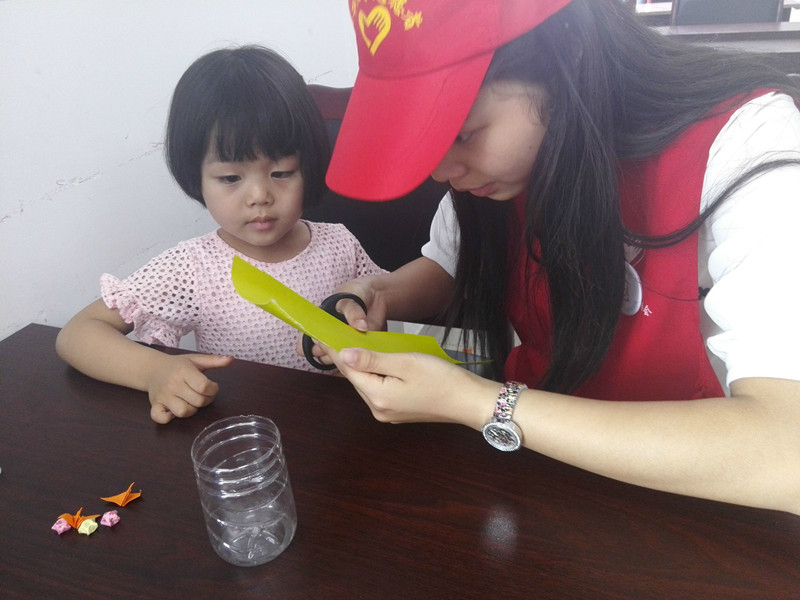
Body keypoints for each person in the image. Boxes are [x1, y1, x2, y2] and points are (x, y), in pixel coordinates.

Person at [316, 0, 800, 514]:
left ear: (569, 51)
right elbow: (449, 262)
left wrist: (476, 403)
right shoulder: (501, 172)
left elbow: (784, 454)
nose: (441, 171)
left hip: (697, 495)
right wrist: (377, 292)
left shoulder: (748, 143)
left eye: (461, 134)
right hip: (542, 472)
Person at [56, 45, 384, 424]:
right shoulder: (192, 268)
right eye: (230, 178)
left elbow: (383, 307)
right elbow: (77, 334)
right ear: (195, 176)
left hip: (344, 430)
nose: (259, 196)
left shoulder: (340, 244)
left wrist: (367, 331)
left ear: (308, 166)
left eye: (281, 173)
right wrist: (154, 371)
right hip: (248, 436)